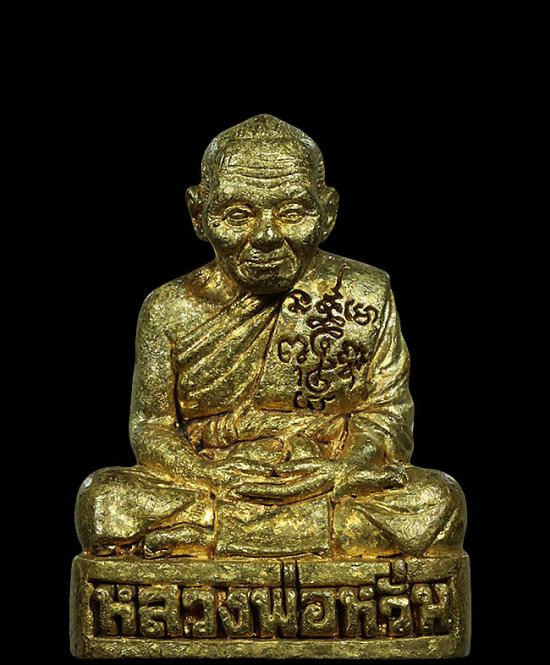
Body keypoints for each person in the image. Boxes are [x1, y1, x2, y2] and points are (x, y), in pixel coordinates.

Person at [75, 114, 466, 559]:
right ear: (199, 214)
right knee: (105, 503)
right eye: (237, 214)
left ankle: (204, 538)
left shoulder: (364, 294)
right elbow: (152, 428)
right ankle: (313, 537)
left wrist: (340, 469)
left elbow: (386, 415)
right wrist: (209, 475)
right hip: (218, 475)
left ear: (328, 212)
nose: (265, 236)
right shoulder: (169, 308)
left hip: (323, 476)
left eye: (292, 213)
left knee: (437, 499)